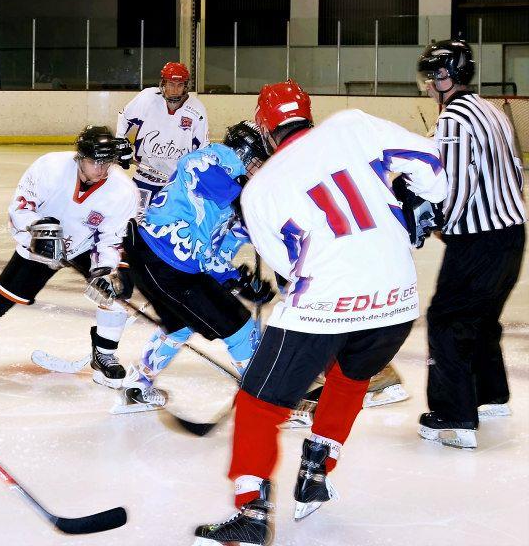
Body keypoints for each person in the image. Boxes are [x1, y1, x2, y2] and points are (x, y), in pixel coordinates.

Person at [192, 80, 448, 545]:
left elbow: (288, 266)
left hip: (325, 304)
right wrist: (420, 198)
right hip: (397, 299)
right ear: (308, 113)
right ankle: (317, 469)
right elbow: (432, 162)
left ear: (265, 130)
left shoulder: (259, 190)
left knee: (257, 404)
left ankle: (252, 513)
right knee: (350, 379)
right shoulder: (351, 125)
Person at [0, 125, 139, 388]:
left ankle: (104, 353)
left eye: (107, 162)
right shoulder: (49, 168)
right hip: (43, 240)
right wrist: (38, 232)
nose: (102, 168)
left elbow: (112, 238)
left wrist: (105, 269)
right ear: (80, 157)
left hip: (86, 244)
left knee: (114, 290)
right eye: (95, 161)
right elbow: (20, 209)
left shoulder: (122, 190)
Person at [113, 121, 275, 412]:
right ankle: (266, 402)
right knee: (240, 328)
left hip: (168, 266)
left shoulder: (235, 200)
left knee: (182, 323)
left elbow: (213, 255)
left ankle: (137, 386)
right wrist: (247, 203)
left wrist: (237, 280)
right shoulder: (213, 159)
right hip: (162, 260)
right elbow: (195, 167)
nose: (262, 170)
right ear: (246, 154)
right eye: (260, 162)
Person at [417, 39, 526, 449]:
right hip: (512, 234)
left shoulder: (454, 119)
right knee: (482, 318)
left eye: (432, 76)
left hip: (478, 241)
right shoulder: (492, 110)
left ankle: (455, 415)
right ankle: (491, 395)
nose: (428, 85)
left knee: (447, 319)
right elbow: (516, 171)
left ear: (447, 76)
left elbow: (456, 186)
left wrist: (441, 222)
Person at [116, 61, 208, 209]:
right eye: (171, 84)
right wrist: (120, 140)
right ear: (163, 83)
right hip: (144, 177)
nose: (175, 90)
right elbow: (124, 116)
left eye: (180, 85)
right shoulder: (147, 98)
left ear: (186, 86)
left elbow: (203, 147)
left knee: (172, 221)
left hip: (177, 181)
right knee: (136, 217)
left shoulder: (197, 109)